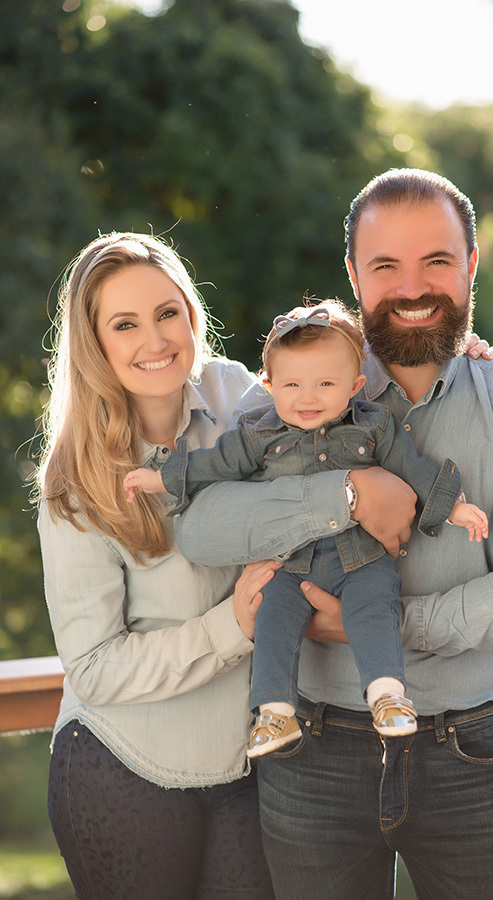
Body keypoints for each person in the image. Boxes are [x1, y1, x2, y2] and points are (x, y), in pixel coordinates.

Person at [171, 168, 493, 900]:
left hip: (475, 756)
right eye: (386, 265)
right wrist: (348, 492)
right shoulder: (294, 387)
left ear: (471, 266)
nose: (413, 287)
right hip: (311, 754)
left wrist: (372, 628)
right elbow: (202, 529)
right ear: (354, 276)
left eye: (437, 261)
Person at [123, 299, 488, 757]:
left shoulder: (373, 426)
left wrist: (452, 507)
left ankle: (388, 695)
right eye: (292, 384)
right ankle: (275, 712)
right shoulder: (259, 433)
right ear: (269, 384)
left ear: (355, 386)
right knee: (273, 617)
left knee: (375, 608)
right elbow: (214, 464)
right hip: (292, 562)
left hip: (363, 557)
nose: (307, 397)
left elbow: (414, 467)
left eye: (325, 384)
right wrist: (161, 477)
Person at [33, 232, 281, 900]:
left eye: (167, 312)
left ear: (192, 315)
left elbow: (335, 404)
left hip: (247, 769)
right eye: (125, 324)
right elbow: (94, 665)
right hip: (120, 768)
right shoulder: (75, 480)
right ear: (98, 345)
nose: (155, 340)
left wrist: (453, 364)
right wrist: (233, 625)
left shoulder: (240, 398)